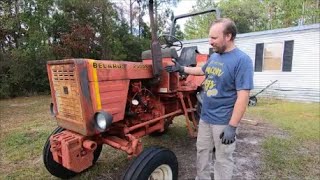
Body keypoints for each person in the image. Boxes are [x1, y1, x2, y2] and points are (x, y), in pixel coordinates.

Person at [165, 18, 254, 180]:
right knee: (202, 152)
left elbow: (243, 97)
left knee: (223, 159)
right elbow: (203, 71)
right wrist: (181, 68)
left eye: (214, 38)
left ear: (228, 36)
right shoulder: (215, 57)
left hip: (223, 121)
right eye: (209, 37)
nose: (210, 41)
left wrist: (232, 127)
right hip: (206, 118)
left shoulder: (242, 60)